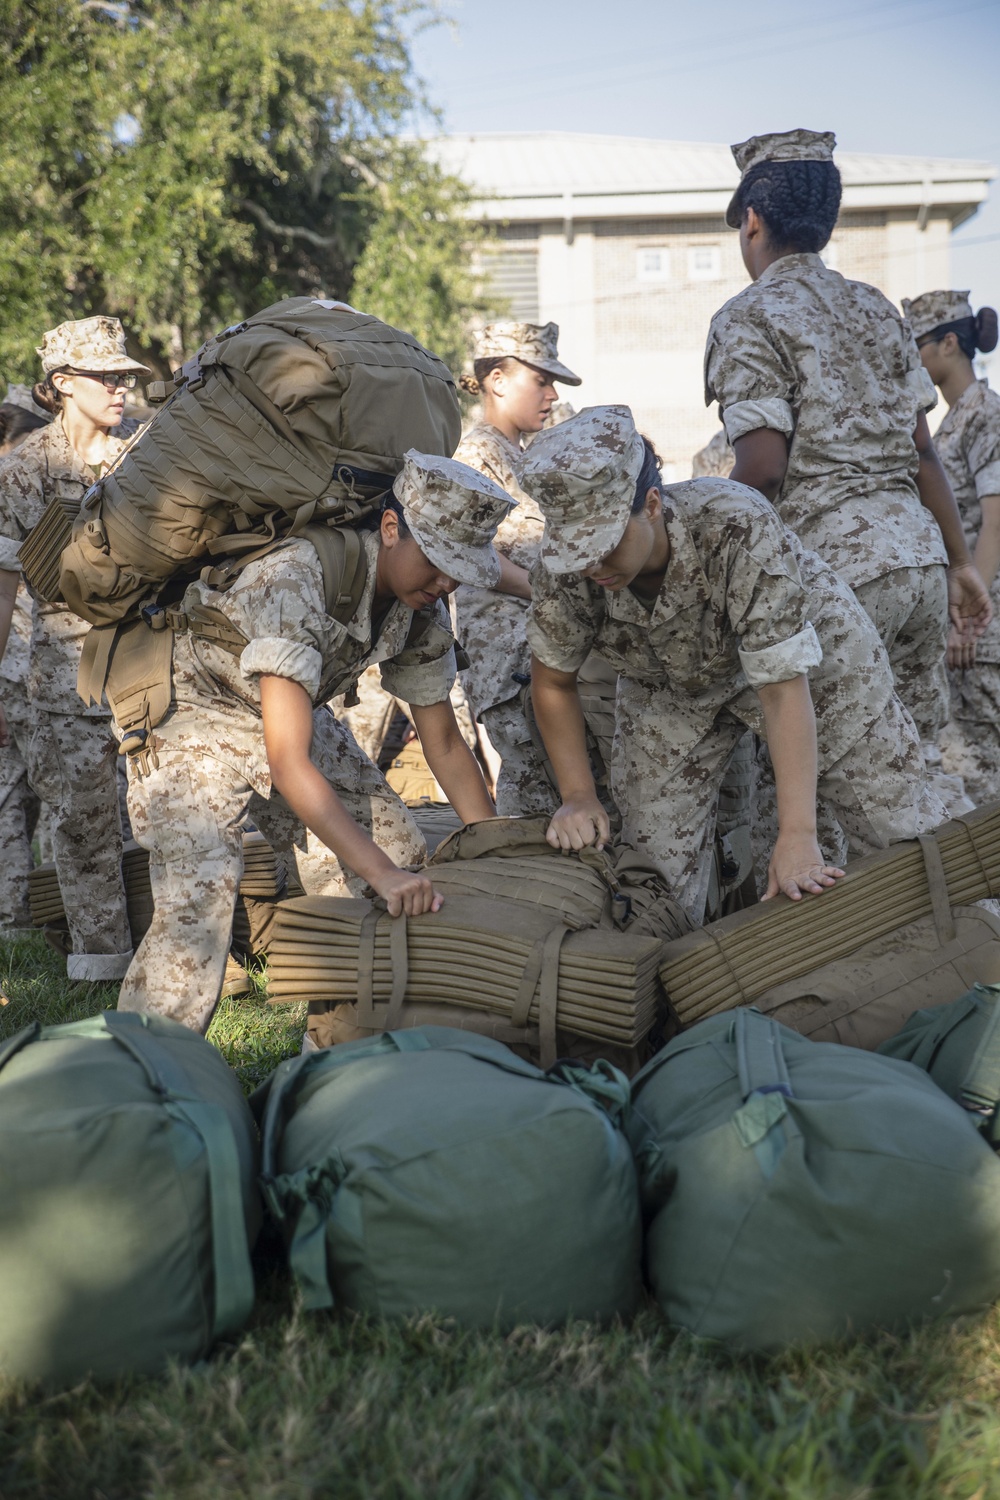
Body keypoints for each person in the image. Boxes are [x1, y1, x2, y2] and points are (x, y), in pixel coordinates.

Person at [115, 452, 508, 1037]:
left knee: (398, 857)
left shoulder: (422, 607)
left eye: (461, 569)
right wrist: (380, 875)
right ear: (392, 529)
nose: (447, 581)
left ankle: (339, 1050)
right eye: (438, 561)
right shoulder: (297, 578)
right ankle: (139, 1077)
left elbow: (445, 742)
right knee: (198, 899)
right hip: (190, 709)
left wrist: (494, 853)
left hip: (283, 710)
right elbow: (288, 764)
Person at [522, 406, 945, 922]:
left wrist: (797, 836)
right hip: (671, 687)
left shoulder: (732, 523)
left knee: (896, 829)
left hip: (813, 666)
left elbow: (782, 689)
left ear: (651, 504)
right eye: (575, 552)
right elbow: (553, 681)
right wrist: (579, 796)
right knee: (654, 881)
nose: (591, 566)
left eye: (604, 546)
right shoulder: (568, 569)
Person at [704, 128, 991, 747]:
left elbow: (764, 470)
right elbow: (922, 452)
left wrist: (703, 561)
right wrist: (961, 562)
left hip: (834, 578)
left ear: (752, 221)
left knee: (819, 791)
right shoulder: (877, 308)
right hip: (920, 569)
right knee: (912, 768)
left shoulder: (749, 315)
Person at [0, 317, 145, 977]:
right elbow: (6, 587)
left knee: (156, 818)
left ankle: (164, 951)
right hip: (67, 679)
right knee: (83, 826)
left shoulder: (146, 456)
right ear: (61, 383)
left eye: (125, 377)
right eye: (106, 376)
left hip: (147, 666)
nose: (121, 388)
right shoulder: (25, 468)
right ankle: (100, 961)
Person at [454, 321, 615, 816]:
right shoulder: (476, 455)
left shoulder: (521, 455)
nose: (550, 395)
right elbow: (471, 556)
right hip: (509, 664)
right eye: (540, 381)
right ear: (497, 380)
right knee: (534, 810)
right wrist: (552, 596)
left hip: (541, 653)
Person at [905, 289, 1000, 805]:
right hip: (966, 619)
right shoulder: (949, 424)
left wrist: (966, 617)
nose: (912, 356)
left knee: (980, 780)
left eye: (917, 343)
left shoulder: (985, 414)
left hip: (981, 625)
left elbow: (996, 523)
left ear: (948, 343)